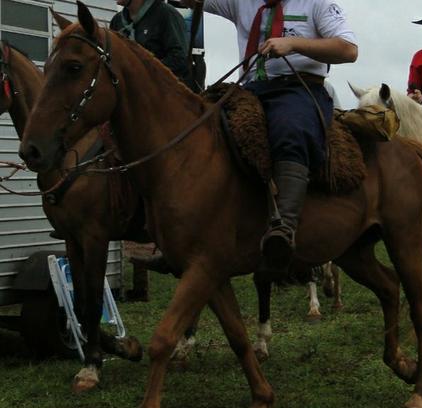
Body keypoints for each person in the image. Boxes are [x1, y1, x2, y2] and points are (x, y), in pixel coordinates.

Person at [180, 0, 357, 280]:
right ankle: (189, 230)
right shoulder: (242, 2)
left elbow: (348, 50)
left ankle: (283, 228)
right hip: (250, 89)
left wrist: (294, 44)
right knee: (200, 125)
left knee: (291, 129)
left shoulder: (318, 4)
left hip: (298, 87)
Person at [111, 0, 191, 301]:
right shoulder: (118, 22)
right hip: (128, 110)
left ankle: (171, 233)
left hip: (164, 107)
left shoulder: (165, 15)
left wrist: (138, 79)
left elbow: (179, 60)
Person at [110, 0, 190, 83]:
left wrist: (143, 72)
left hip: (160, 90)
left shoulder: (166, 14)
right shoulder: (117, 21)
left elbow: (180, 58)